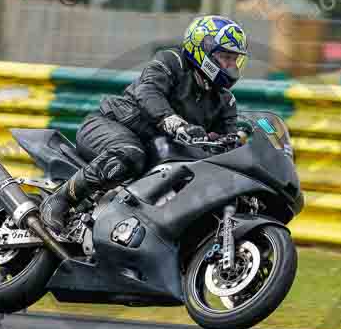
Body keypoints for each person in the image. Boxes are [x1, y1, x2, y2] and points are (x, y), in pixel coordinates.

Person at [40, 15, 249, 234]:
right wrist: (175, 124)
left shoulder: (225, 100)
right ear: (203, 50)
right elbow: (148, 91)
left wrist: (235, 142)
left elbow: (230, 138)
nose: (231, 65)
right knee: (130, 153)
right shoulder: (172, 61)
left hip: (157, 154)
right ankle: (59, 200)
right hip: (111, 125)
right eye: (225, 57)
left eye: (234, 59)